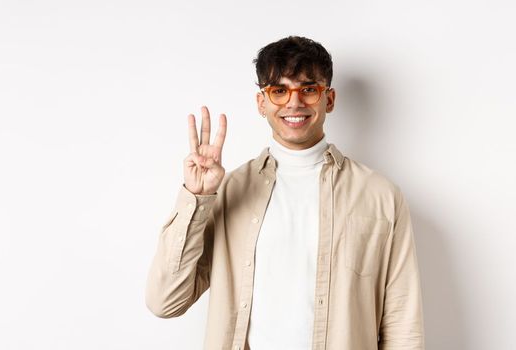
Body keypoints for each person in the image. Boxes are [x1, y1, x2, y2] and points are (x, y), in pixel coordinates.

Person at [144, 36, 424, 350]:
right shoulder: (228, 191)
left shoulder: (380, 196)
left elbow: (403, 325)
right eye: (279, 90)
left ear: (328, 99)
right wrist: (196, 198)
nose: (294, 102)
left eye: (308, 89)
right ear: (261, 102)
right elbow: (165, 301)